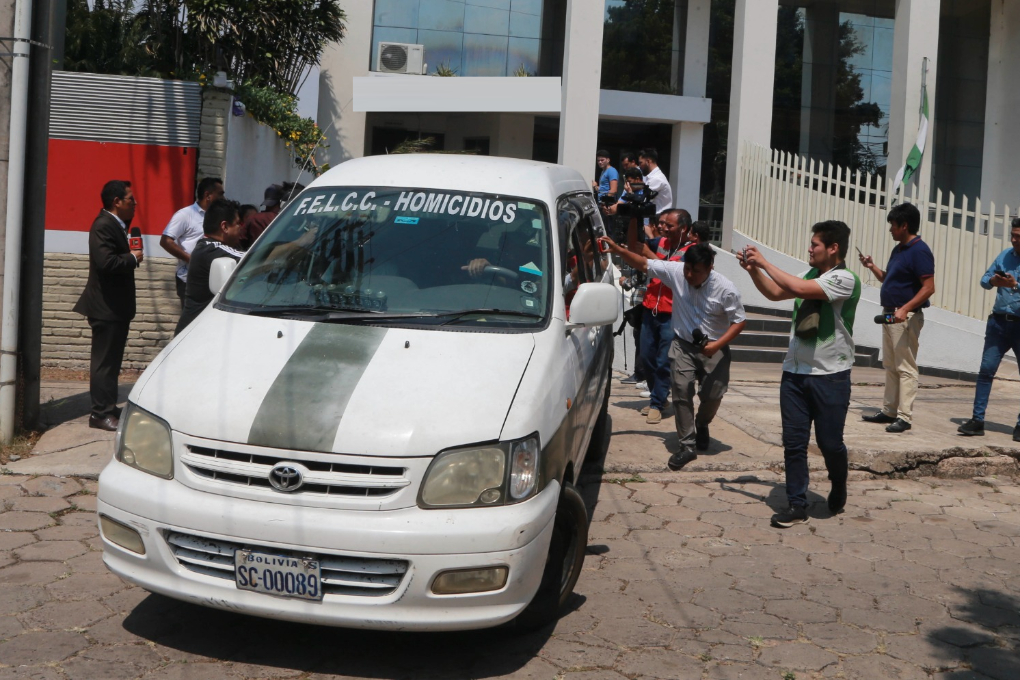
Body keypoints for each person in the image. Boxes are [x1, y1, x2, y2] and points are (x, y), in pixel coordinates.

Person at [740, 221, 861, 527]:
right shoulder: (810, 275)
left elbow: (797, 288)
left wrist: (765, 260)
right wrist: (753, 269)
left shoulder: (845, 279)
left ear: (833, 248)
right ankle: (797, 504)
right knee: (794, 443)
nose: (809, 249)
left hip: (830, 375)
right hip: (794, 374)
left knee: (829, 443)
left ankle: (838, 482)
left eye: (815, 244)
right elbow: (775, 292)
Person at [600, 237, 745, 470]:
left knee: (713, 395)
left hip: (714, 347)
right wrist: (618, 249)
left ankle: (703, 423)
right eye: (687, 268)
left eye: (696, 271)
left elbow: (739, 321)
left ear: (710, 269)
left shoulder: (726, 289)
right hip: (682, 345)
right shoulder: (677, 272)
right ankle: (687, 444)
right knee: (680, 391)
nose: (689, 275)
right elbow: (644, 264)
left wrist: (717, 346)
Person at [858, 202, 935, 433]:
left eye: (893, 225)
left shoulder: (920, 250)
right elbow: (889, 279)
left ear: (904, 225)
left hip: (905, 317)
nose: (890, 229)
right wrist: (872, 267)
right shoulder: (899, 249)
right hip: (891, 314)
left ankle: (904, 416)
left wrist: (905, 309)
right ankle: (890, 410)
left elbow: (929, 287)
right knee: (890, 364)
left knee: (905, 366)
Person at [72, 180, 143, 431]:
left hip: (117, 307)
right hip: (105, 306)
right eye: (130, 200)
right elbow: (106, 263)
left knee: (112, 362)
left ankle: (109, 406)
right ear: (117, 202)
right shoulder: (103, 225)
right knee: (103, 363)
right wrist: (132, 259)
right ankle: (99, 414)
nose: (134, 204)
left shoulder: (118, 225)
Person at [627, 209, 693, 424]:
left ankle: (657, 402)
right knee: (646, 358)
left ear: (683, 228)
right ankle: (660, 398)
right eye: (662, 223)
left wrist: (649, 255)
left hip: (671, 314)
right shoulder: (661, 243)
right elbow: (634, 245)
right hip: (649, 310)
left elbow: (674, 274)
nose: (663, 228)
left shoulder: (692, 250)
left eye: (669, 225)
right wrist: (632, 215)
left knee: (664, 361)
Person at [958, 218, 1020, 439]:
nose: (1014, 240)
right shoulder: (1004, 255)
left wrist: (1015, 285)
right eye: (1012, 235)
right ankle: (977, 420)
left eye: (1018, 236)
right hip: (999, 323)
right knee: (986, 370)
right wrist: (995, 281)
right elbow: (984, 280)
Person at [175, 199, 246, 334]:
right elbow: (252, 258)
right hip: (194, 334)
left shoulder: (210, 247)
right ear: (224, 227)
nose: (241, 228)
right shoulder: (211, 248)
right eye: (238, 223)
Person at [161, 176, 224, 306]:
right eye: (220, 194)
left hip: (212, 281)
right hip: (189, 280)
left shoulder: (218, 216)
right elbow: (166, 241)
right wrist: (192, 260)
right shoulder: (185, 214)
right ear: (208, 195)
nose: (223, 198)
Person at [241, 184, 284, 250]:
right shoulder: (284, 219)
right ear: (281, 202)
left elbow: (240, 240)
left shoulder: (252, 219)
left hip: (254, 257)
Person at [638, 148, 673, 216]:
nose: (639, 166)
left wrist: (631, 192)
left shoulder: (656, 179)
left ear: (648, 161)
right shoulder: (651, 177)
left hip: (657, 219)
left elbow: (643, 200)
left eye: (640, 163)